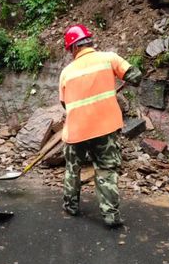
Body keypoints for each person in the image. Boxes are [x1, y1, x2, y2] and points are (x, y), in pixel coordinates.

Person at [58, 24, 142, 227]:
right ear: (89, 42)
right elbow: (135, 76)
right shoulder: (109, 58)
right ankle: (111, 215)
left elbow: (64, 103)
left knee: (73, 168)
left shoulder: (66, 72)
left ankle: (71, 206)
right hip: (105, 128)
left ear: (73, 48)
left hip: (76, 131)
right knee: (106, 169)